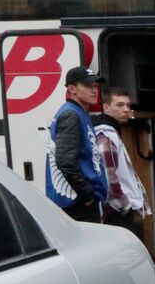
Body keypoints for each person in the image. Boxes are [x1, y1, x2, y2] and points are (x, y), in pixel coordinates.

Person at [44, 66, 108, 223]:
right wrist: (87, 194)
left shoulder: (78, 112)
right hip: (77, 204)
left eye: (95, 86)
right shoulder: (71, 115)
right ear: (72, 89)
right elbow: (64, 160)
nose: (94, 91)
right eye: (88, 86)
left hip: (80, 202)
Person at [92, 87, 149, 240]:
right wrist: (125, 205)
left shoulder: (110, 131)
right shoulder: (106, 134)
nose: (126, 109)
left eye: (128, 105)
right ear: (106, 107)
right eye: (119, 105)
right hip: (115, 210)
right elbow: (109, 176)